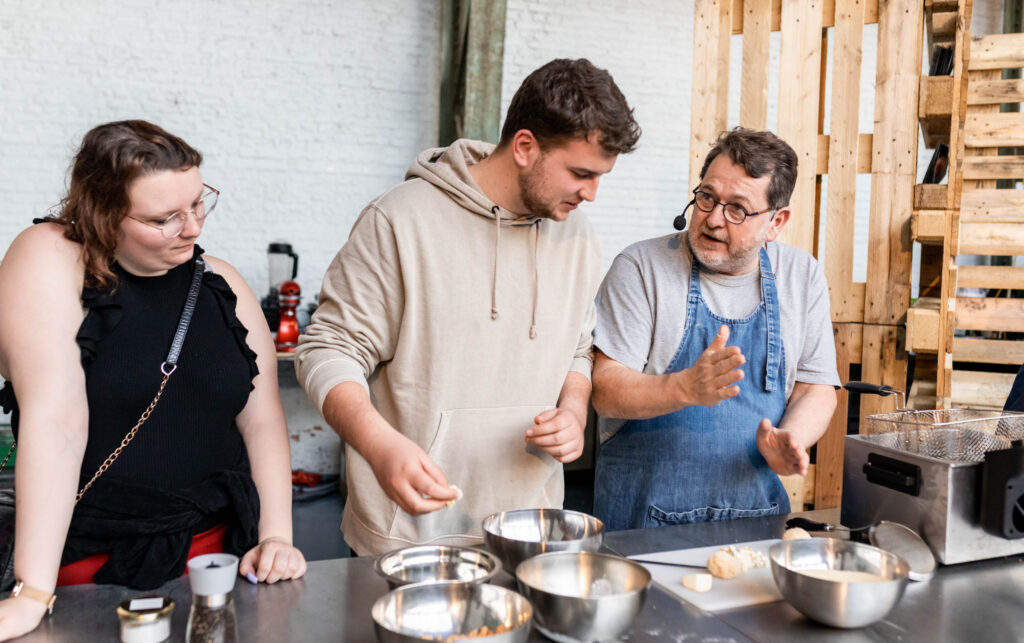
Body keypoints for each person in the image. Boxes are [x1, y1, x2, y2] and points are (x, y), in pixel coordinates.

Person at [296, 58, 640, 555]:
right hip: (407, 538)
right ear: (525, 147)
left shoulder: (579, 236)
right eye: (580, 173)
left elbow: (579, 348)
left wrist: (572, 407)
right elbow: (328, 349)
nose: (591, 193)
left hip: (531, 531)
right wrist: (379, 445)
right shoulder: (399, 219)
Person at [0, 120, 305, 639]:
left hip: (219, 559)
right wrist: (33, 589)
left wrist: (277, 535)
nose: (193, 228)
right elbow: (57, 421)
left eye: (198, 204)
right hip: (88, 562)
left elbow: (262, 420)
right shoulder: (50, 257)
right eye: (166, 218)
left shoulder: (223, 285)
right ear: (104, 212)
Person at [591, 127, 840, 531]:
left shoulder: (802, 276)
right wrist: (684, 388)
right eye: (707, 197)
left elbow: (816, 389)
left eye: (738, 208)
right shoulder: (641, 267)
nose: (712, 219)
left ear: (776, 222)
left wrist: (789, 440)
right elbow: (604, 388)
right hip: (641, 526)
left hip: (757, 523)